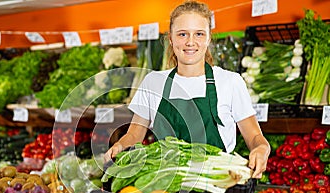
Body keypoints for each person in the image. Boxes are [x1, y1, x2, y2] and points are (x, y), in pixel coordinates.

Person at [104, 0, 270, 179]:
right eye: (182, 34)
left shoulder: (230, 82)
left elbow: (254, 136)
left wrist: (261, 149)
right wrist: (120, 146)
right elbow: (135, 134)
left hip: (217, 186)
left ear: (208, 38)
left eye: (199, 34)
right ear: (171, 38)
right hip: (165, 184)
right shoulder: (153, 82)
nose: (190, 42)